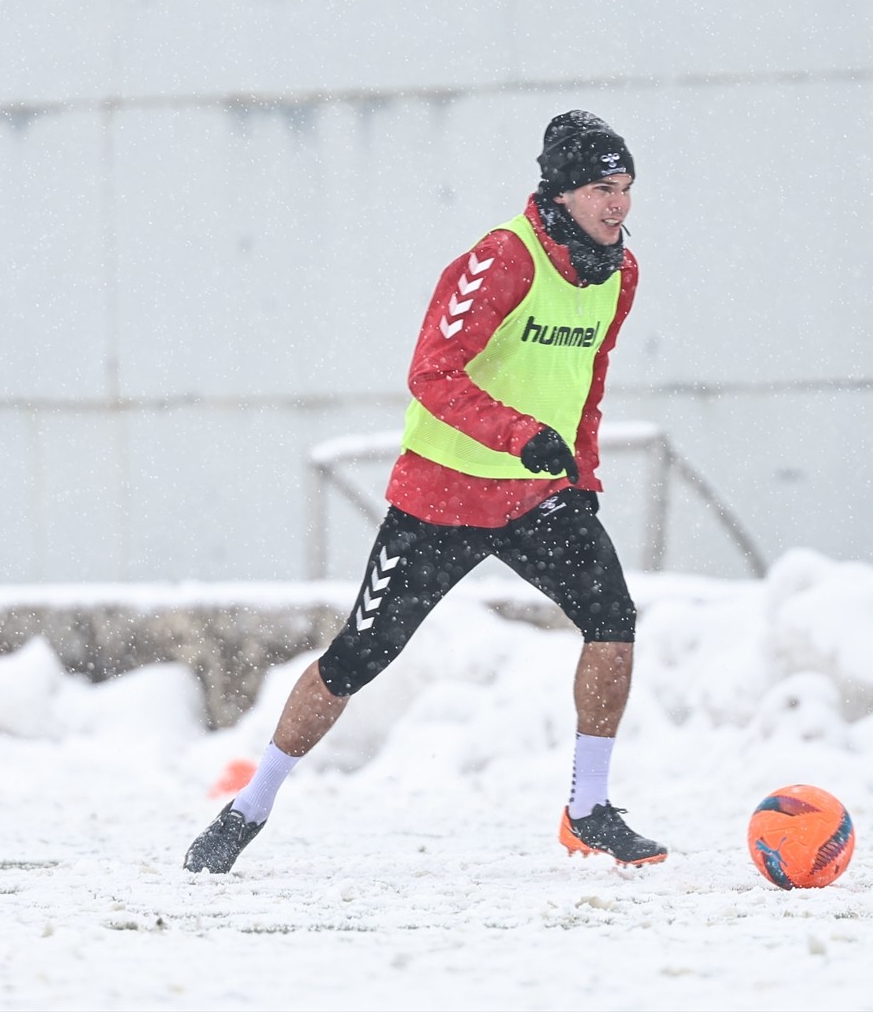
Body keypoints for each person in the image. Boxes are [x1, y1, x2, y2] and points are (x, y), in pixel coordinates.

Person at [184, 110, 666, 873]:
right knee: (358, 656)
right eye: (603, 189)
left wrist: (580, 471)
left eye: (627, 188)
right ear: (562, 193)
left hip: (536, 494)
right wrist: (518, 434)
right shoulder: (502, 258)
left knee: (613, 621)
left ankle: (589, 809)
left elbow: (589, 379)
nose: (619, 205)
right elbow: (432, 374)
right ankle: (250, 805)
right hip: (442, 500)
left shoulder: (620, 273)